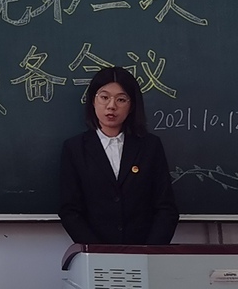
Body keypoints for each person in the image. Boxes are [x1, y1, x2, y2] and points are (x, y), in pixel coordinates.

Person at [59, 66, 179, 245]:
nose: (111, 106)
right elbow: (70, 210)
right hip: (96, 254)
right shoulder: (74, 148)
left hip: (145, 252)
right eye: (104, 97)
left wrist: (150, 250)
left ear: (131, 106)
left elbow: (166, 207)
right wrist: (98, 252)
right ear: (93, 101)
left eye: (121, 99)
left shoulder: (150, 146)